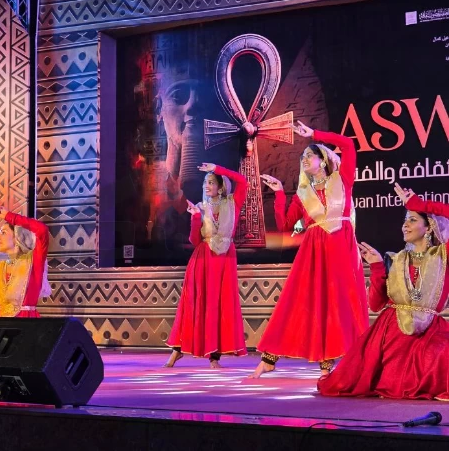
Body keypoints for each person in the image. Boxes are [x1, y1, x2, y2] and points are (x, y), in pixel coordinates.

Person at [249, 121, 368, 378]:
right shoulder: (302, 194)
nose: (304, 159)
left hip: (341, 248)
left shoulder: (343, 179)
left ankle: (330, 364)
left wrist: (314, 134)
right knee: (300, 301)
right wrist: (279, 194)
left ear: (323, 160)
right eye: (302, 156)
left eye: (309, 155)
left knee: (338, 303)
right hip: (314, 252)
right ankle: (269, 359)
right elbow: (286, 225)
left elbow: (348, 145)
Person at [318, 184, 449, 400]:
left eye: (412, 220)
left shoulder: (442, 257)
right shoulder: (394, 260)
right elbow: (376, 304)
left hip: (430, 330)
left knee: (442, 353)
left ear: (429, 228)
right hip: (392, 331)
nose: (405, 225)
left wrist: (420, 204)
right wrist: (377, 267)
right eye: (404, 220)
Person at [164, 163, 248, 368]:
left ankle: (214, 357)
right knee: (195, 305)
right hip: (203, 260)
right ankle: (177, 349)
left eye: (210, 182)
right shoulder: (201, 207)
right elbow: (195, 240)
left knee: (219, 306)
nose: (206, 186)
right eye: (205, 183)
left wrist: (218, 168)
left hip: (225, 261)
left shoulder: (232, 203)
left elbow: (243, 181)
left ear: (220, 186)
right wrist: (194, 217)